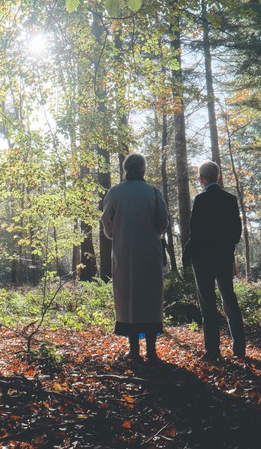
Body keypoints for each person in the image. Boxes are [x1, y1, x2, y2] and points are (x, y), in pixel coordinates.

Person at [101, 153, 169, 364]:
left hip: (125, 252)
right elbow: (163, 221)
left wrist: (115, 234)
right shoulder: (152, 192)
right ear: (143, 170)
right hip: (149, 251)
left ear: (125, 169)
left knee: (128, 297)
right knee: (150, 298)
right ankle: (151, 350)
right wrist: (154, 232)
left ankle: (133, 350)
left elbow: (106, 220)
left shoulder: (115, 192)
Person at [182, 160, 246, 361]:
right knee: (229, 299)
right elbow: (236, 230)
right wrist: (228, 249)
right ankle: (240, 347)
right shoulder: (230, 199)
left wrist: (189, 253)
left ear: (201, 179)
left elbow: (195, 231)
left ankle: (213, 351)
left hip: (203, 258)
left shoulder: (200, 200)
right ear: (217, 176)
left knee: (207, 303)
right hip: (224, 256)